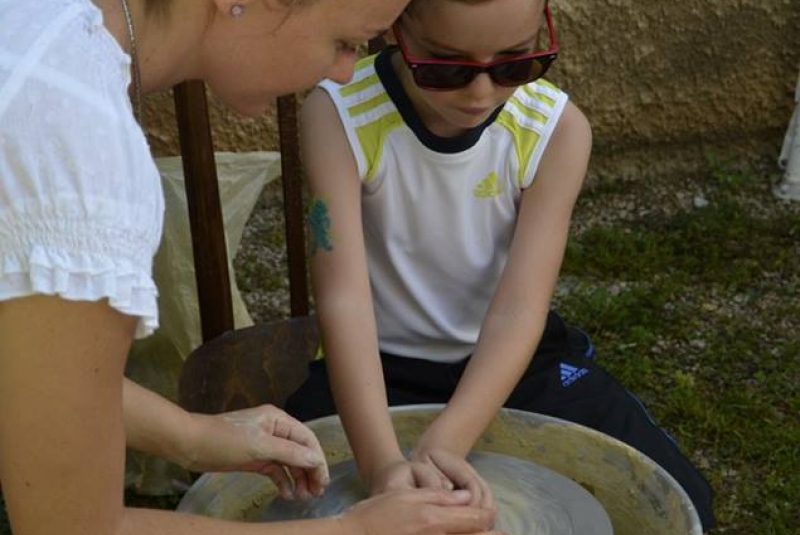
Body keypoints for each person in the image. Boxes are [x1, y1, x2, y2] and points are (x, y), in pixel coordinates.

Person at [0, 0, 504, 534]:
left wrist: (190, 436)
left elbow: (28, 361)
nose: (345, 71)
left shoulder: (48, 29)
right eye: (346, 42)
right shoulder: (78, 156)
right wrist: (352, 530)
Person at [286, 0, 716, 530]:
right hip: (376, 364)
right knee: (279, 494)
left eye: (515, 64)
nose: (481, 93)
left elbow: (519, 310)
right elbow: (344, 301)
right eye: (446, 68)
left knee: (683, 501)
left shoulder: (556, 129)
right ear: (396, 29)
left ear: (544, 28)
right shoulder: (337, 114)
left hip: (512, 363)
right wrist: (383, 467)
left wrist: (444, 445)